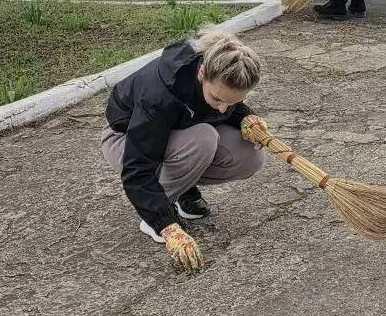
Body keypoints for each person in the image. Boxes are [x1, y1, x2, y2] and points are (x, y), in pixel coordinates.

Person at [101, 29, 267, 272]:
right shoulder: (158, 96)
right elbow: (137, 170)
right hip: (125, 140)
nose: (223, 109)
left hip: (176, 136)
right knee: (204, 138)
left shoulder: (220, 78)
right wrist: (166, 225)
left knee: (249, 154)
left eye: (231, 103)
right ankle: (157, 213)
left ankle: (182, 191)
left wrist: (245, 117)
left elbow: (222, 106)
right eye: (217, 99)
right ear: (202, 73)